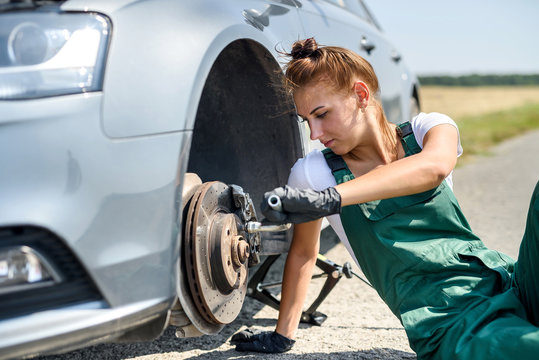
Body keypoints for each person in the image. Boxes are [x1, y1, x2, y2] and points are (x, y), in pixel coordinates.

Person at [229, 38, 539, 359]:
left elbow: (433, 167)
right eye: (306, 120)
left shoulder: (427, 129)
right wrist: (282, 336)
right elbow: (304, 254)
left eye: (321, 115)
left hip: (509, 281)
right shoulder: (312, 172)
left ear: (361, 95)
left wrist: (330, 199)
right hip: (450, 320)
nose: (314, 134)